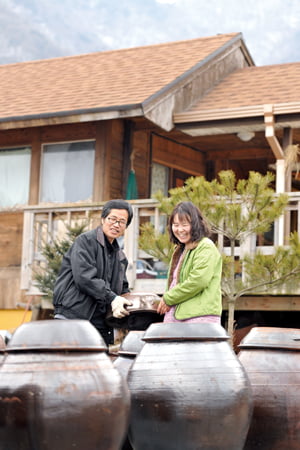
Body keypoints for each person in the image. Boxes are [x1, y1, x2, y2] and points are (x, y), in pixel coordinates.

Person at [53, 199, 133, 345]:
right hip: (74, 315)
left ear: (125, 227)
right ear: (103, 219)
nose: (116, 224)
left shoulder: (121, 257)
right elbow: (84, 278)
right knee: (69, 361)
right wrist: (112, 298)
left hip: (102, 321)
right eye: (112, 219)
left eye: (122, 222)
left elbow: (123, 289)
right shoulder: (85, 241)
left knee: (97, 363)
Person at [157, 201, 222, 324]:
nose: (180, 229)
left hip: (198, 318)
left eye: (184, 225)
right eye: (175, 225)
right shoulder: (181, 249)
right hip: (179, 316)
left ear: (196, 224)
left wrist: (168, 298)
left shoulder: (205, 246)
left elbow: (198, 281)